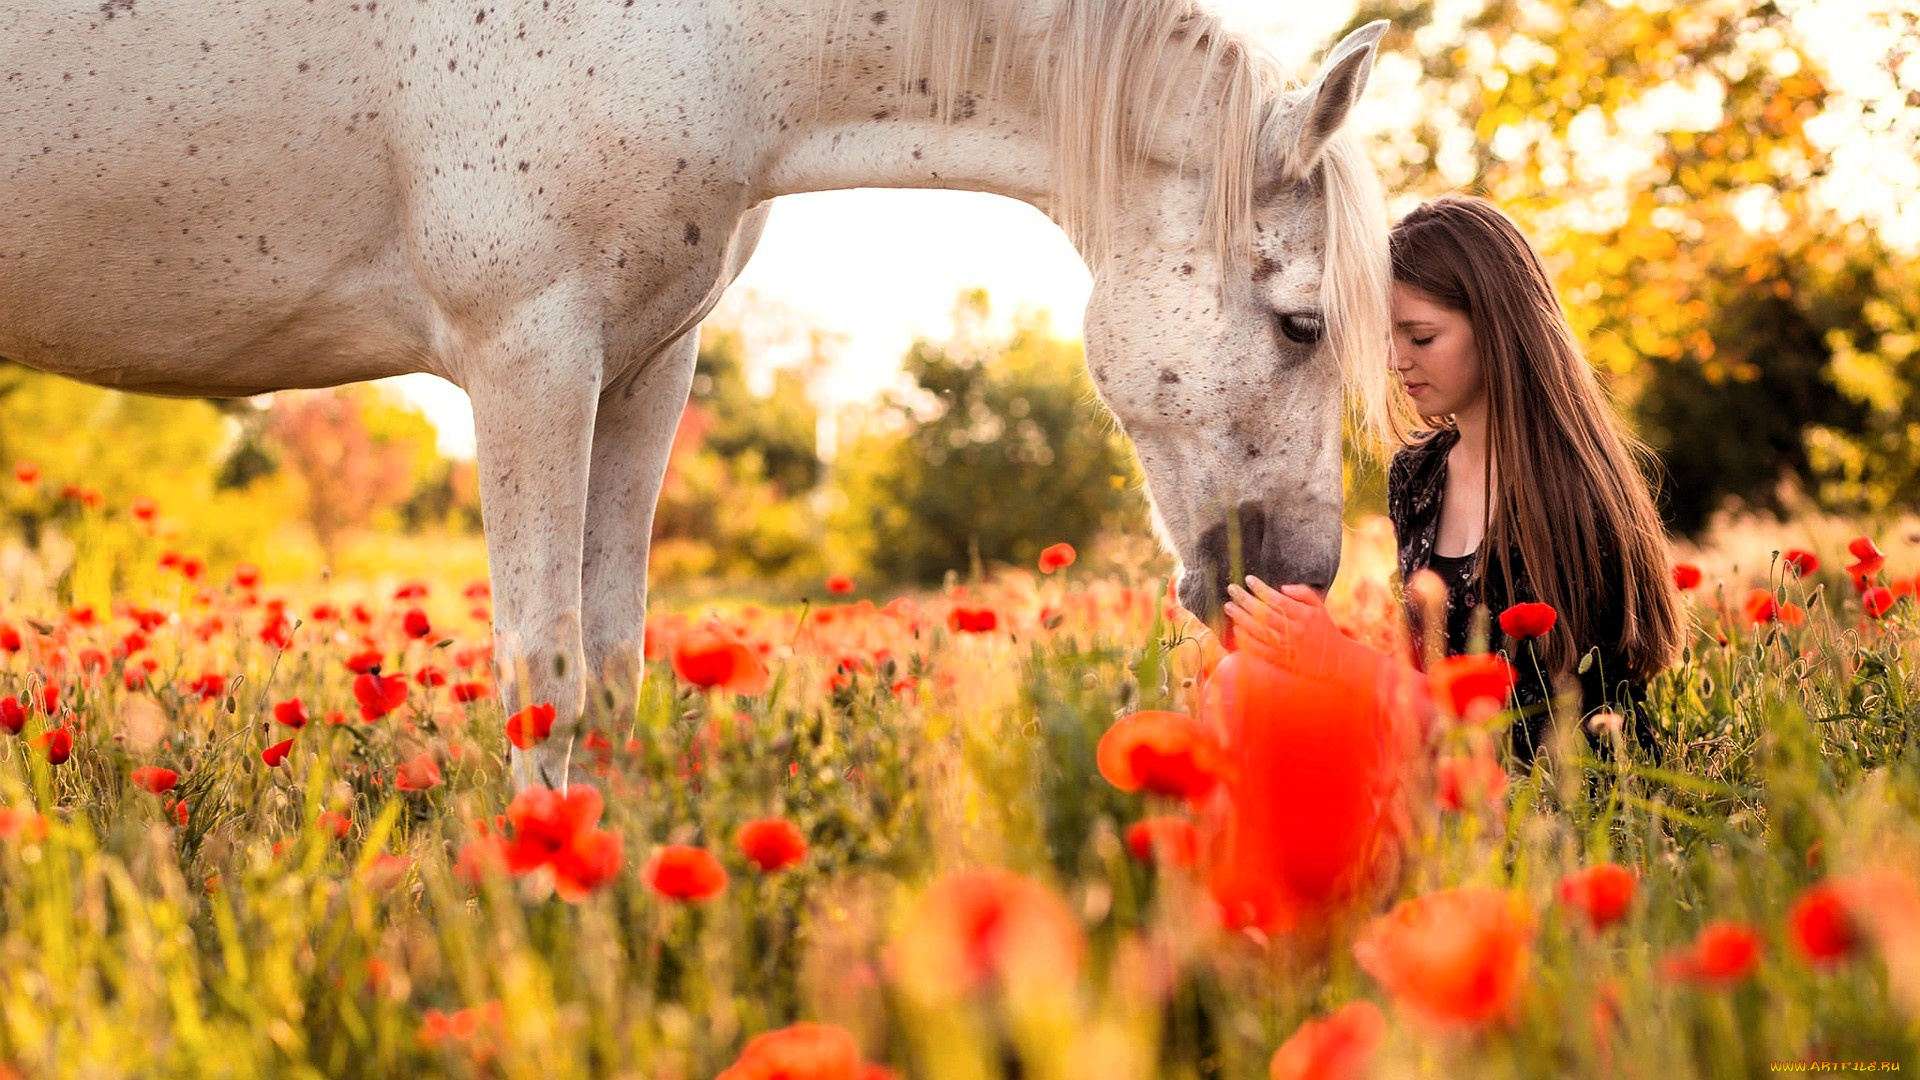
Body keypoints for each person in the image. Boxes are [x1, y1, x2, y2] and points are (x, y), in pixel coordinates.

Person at [1228, 194, 1684, 764]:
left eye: (1420, 337)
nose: (1395, 361)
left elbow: (1526, 730)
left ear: (1497, 328)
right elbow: (1425, 675)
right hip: (1440, 758)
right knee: (1239, 677)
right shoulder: (1418, 475)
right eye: (1389, 337)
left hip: (1550, 786)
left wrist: (1338, 661)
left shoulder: (1571, 493)